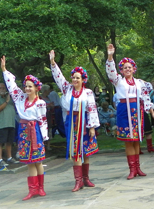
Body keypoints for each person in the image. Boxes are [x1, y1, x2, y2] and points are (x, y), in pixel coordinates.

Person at [105, 44, 154, 179]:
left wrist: (152, 112)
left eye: (130, 67)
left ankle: (138, 168)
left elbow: (145, 97)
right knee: (128, 140)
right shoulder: (118, 82)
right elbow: (111, 72)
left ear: (134, 69)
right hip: (124, 111)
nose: (127, 69)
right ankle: (132, 169)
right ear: (121, 70)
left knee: (136, 140)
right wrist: (110, 56)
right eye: (125, 68)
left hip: (137, 112)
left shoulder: (139, 83)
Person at [49, 50, 99, 192]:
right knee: (75, 151)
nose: (75, 80)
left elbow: (92, 109)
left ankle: (86, 178)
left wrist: (92, 127)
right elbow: (58, 77)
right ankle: (78, 181)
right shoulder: (67, 89)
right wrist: (53, 63)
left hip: (84, 122)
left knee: (85, 151)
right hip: (71, 122)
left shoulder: (88, 92)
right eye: (73, 77)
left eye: (78, 78)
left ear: (83, 79)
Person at [1, 56, 48, 201]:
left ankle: (40, 188)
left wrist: (44, 138)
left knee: (38, 160)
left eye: (30, 86)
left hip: (36, 132)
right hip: (23, 131)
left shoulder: (40, 103)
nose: (27, 88)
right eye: (26, 86)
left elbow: (43, 120)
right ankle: (32, 189)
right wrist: (4, 70)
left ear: (36, 88)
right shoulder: (20, 98)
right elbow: (11, 85)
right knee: (28, 161)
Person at [0, 83, 20, 166]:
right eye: (0, 88)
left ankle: (9, 157)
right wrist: (6, 101)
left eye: (4, 88)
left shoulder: (9, 97)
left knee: (9, 141)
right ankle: (0, 160)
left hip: (11, 123)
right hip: (1, 124)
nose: (2, 89)